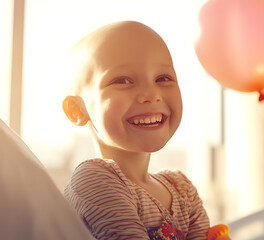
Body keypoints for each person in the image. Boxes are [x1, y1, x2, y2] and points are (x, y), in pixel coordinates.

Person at [62, 21, 210, 240]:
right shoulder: (93, 180)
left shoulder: (182, 189)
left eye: (163, 78)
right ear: (77, 110)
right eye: (123, 81)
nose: (152, 93)